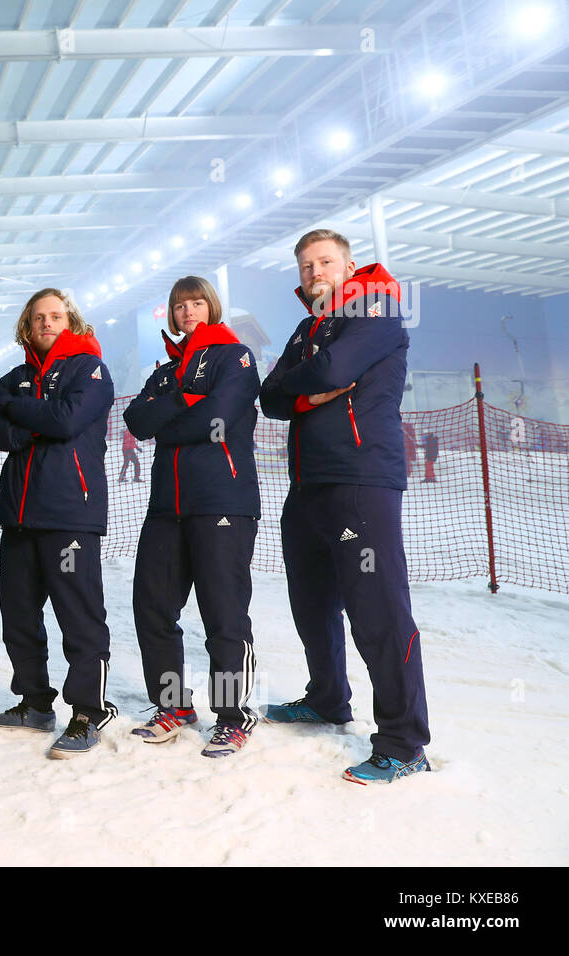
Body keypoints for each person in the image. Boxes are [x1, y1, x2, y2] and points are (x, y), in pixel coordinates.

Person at [259, 228, 430, 784]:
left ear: (348, 264)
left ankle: (404, 743)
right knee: (312, 604)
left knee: (377, 611)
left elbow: (334, 371)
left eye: (325, 261)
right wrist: (305, 392)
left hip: (360, 479)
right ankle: (327, 697)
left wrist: (303, 384)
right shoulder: (309, 327)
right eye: (305, 265)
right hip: (307, 485)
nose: (315, 273)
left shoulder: (376, 308)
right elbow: (270, 397)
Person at [124, 276, 261, 757]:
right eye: (178, 306)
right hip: (166, 506)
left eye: (196, 303)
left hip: (222, 502)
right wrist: (184, 399)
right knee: (153, 608)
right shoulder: (166, 372)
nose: (187, 313)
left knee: (223, 615)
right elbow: (137, 421)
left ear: (212, 306)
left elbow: (216, 419)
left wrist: (173, 418)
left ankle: (233, 715)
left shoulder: (236, 357)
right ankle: (173, 706)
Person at [0, 289, 116, 758]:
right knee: (18, 614)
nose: (46, 323)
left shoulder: (90, 369)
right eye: (38, 317)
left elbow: (67, 419)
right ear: (27, 325)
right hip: (20, 514)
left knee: (79, 617)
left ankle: (87, 712)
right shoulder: (15, 376)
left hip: (69, 514)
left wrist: (22, 413)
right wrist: (33, 419)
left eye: (55, 316)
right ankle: (35, 703)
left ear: (70, 321)